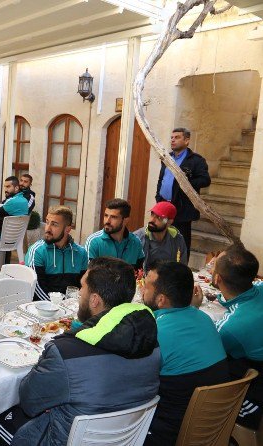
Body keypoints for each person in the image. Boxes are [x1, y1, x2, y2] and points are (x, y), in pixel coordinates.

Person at [0, 257, 160, 446]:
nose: (79, 293)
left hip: (61, 440)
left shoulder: (65, 353)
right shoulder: (151, 345)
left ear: (95, 300)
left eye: (82, 288)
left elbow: (29, 402)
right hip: (122, 440)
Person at [142, 261, 229, 446]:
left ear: (161, 300)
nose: (142, 289)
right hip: (213, 423)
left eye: (146, 285)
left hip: (171, 431)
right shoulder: (205, 319)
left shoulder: (155, 333)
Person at [212, 244, 263, 430]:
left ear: (217, 278)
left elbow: (211, 349)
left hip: (254, 393)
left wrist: (192, 308)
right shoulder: (260, 286)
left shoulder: (231, 328)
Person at [155, 127, 211, 253]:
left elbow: (205, 180)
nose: (173, 140)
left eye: (177, 137)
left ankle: (182, 269)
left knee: (181, 243)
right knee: (162, 240)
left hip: (182, 208)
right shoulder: (167, 158)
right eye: (172, 137)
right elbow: (161, 179)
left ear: (186, 141)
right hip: (163, 206)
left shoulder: (196, 160)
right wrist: (158, 197)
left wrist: (185, 183)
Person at [24, 206, 88, 301]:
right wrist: (57, 307)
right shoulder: (37, 251)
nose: (48, 228)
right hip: (43, 308)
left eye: (54, 224)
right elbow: (36, 289)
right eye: (47, 222)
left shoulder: (81, 253)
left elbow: (83, 287)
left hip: (70, 308)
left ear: (67, 229)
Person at [85, 198, 145, 269]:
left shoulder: (135, 242)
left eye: (113, 217)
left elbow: (139, 274)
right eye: (106, 215)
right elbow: (88, 276)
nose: (107, 221)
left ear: (125, 220)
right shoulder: (94, 241)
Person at [134, 201, 188, 272]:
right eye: (152, 215)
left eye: (159, 217)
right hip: (143, 281)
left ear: (169, 222)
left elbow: (182, 268)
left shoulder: (177, 239)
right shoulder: (137, 238)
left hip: (168, 280)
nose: (152, 220)